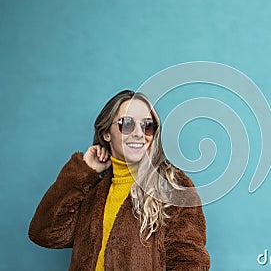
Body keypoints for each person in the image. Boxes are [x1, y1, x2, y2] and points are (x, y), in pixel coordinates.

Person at [29, 90, 210, 270]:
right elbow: (45, 233)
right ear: (107, 132)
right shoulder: (93, 190)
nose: (139, 133)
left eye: (147, 125)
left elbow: (190, 262)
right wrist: (83, 171)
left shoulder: (173, 187)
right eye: (127, 124)